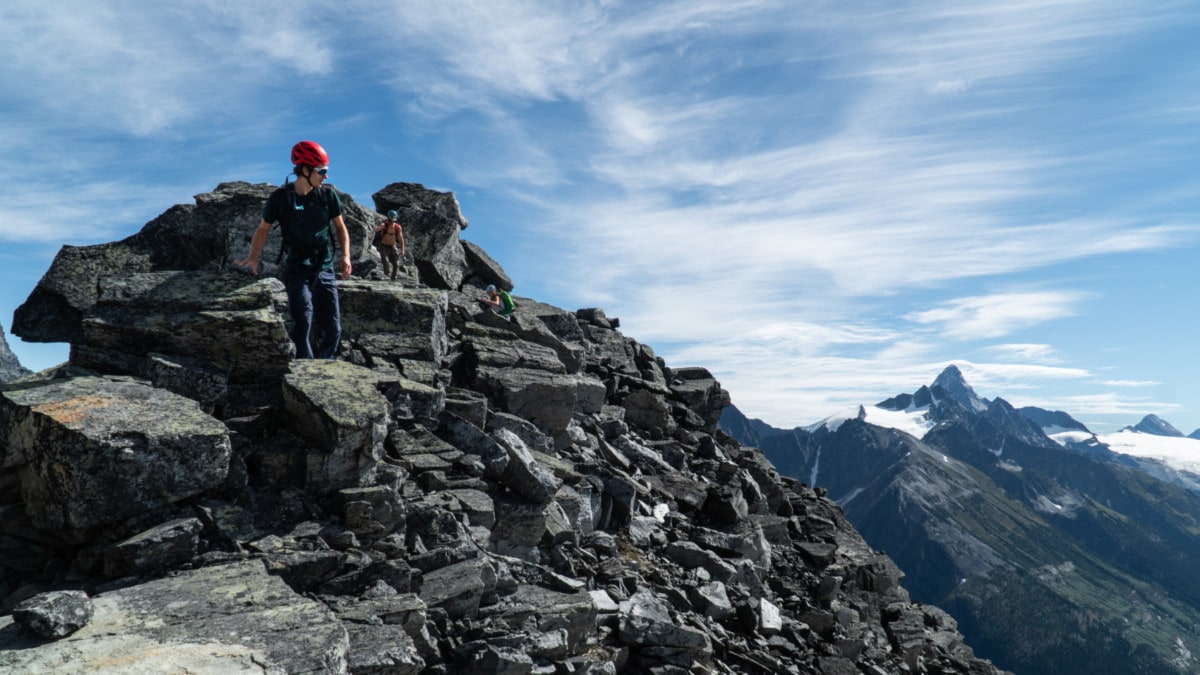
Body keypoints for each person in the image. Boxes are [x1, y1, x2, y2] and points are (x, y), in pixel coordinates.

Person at [235, 140, 352, 359]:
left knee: (333, 327)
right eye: (322, 171)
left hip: (324, 268)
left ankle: (327, 366)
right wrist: (252, 258)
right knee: (303, 320)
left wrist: (346, 256)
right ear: (305, 170)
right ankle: (304, 371)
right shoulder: (282, 198)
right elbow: (263, 229)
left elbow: (340, 227)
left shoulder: (328, 196)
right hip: (297, 268)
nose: (325, 176)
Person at [372, 210, 406, 280]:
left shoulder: (398, 227)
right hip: (384, 246)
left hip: (393, 246)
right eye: (390, 219)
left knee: (396, 264)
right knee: (385, 261)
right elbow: (376, 229)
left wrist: (402, 250)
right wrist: (374, 228)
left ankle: (394, 278)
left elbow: (401, 239)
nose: (391, 221)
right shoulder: (384, 225)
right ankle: (387, 275)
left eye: (393, 219)